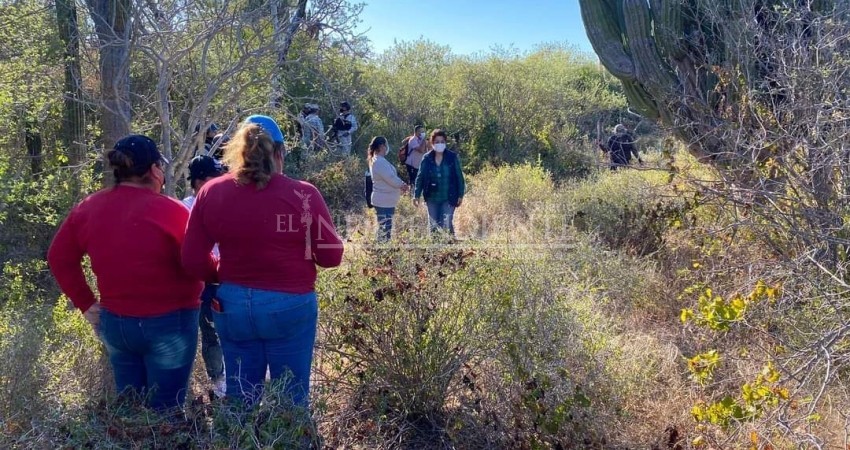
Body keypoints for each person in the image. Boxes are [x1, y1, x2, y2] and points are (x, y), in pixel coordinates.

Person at [182, 115, 344, 407]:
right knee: (291, 400)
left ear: (237, 153)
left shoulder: (211, 192)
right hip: (290, 305)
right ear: (279, 153)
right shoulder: (303, 193)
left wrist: (220, 273)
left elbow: (192, 260)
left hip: (232, 305)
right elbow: (331, 257)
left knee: (241, 397)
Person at [47, 135, 212, 412]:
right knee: (165, 413)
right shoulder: (171, 211)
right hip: (170, 323)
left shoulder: (89, 208)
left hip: (117, 325)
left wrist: (86, 303)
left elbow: (58, 257)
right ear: (154, 170)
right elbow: (197, 263)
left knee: (131, 411)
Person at [181, 155, 227, 399]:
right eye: (213, 176)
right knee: (211, 334)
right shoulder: (185, 207)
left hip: (229, 278)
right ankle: (218, 384)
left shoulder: (225, 200)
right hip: (204, 282)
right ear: (199, 181)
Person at [414, 129, 466, 236]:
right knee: (434, 227)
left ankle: (449, 248)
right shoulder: (427, 158)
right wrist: (416, 195)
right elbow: (420, 177)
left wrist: (460, 194)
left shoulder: (452, 157)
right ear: (432, 143)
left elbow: (459, 177)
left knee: (445, 224)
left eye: (442, 141)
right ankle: (436, 250)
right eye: (437, 142)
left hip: (449, 197)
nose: (440, 144)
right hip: (431, 198)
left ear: (445, 143)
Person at [367, 136, 408, 242]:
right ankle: (381, 251)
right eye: (386, 144)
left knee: (385, 228)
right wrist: (402, 185)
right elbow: (391, 178)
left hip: (386, 200)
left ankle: (382, 250)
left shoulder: (379, 160)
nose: (387, 147)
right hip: (383, 201)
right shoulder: (379, 161)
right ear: (382, 146)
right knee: (385, 229)